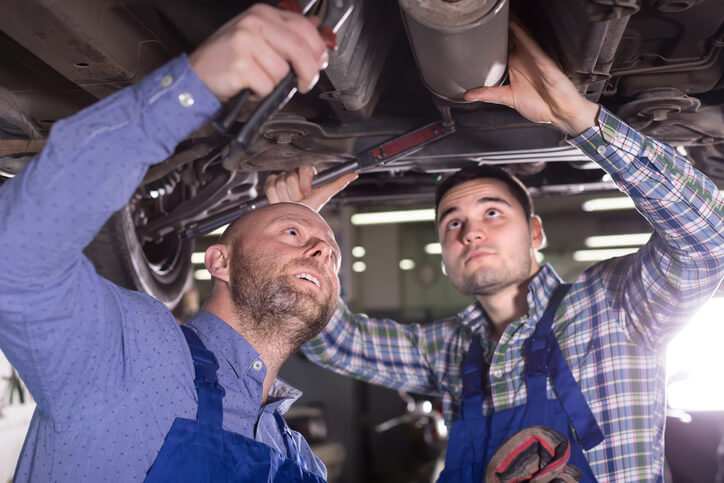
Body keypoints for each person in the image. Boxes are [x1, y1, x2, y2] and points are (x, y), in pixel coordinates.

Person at [264, 19, 724, 482]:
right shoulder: (448, 349)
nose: (471, 233)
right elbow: (333, 340)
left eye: (493, 213)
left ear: (536, 233)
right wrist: (297, 232)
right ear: (444, 256)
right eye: (453, 223)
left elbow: (709, 238)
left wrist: (581, 121)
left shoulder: (615, 307)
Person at [0, 4, 355, 482]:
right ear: (219, 261)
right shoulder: (132, 350)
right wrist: (193, 87)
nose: (320, 251)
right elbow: (16, 254)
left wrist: (292, 225)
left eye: (330, 254)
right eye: (294, 233)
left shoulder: (301, 461)